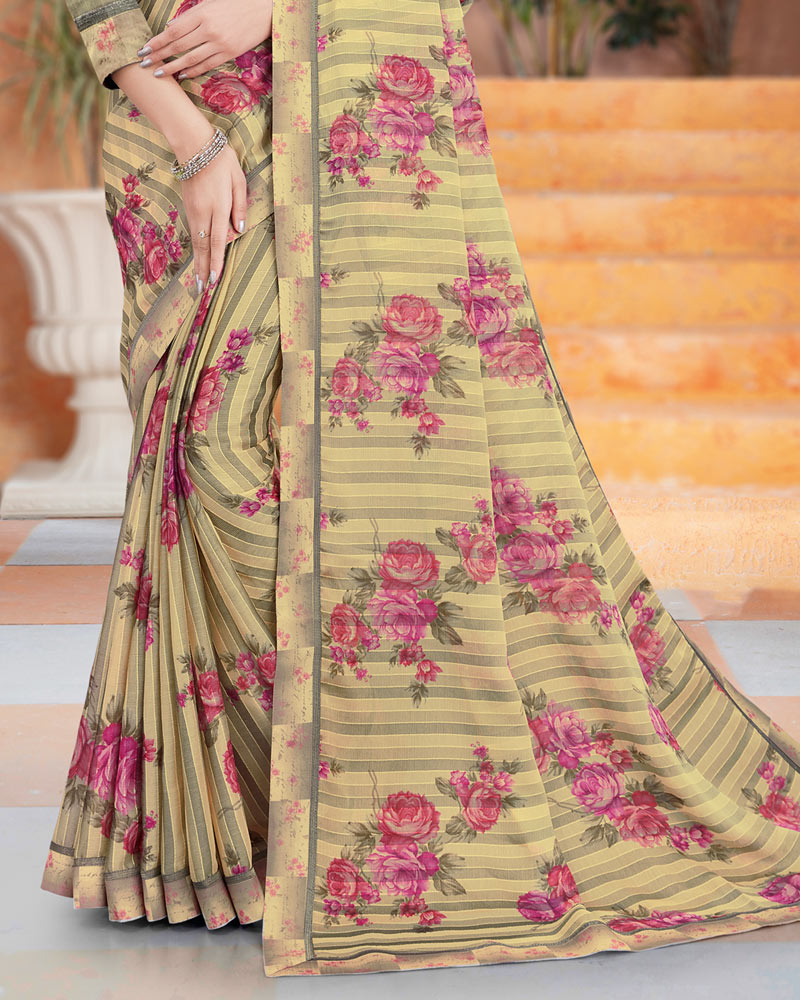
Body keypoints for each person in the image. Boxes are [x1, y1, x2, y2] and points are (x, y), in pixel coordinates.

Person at [41, 0, 800, 979]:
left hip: (340, 105)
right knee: (205, 460)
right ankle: (239, 838)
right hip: (168, 119)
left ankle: (317, 829)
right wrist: (191, 139)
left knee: (307, 468)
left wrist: (275, 7)